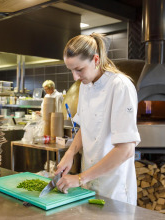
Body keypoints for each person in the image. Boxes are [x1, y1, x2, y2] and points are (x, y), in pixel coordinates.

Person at [55, 33, 140, 205]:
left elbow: (126, 149)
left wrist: (79, 178)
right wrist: (70, 153)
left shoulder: (120, 86)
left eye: (79, 69)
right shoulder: (86, 85)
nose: (75, 77)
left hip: (114, 189)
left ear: (96, 59)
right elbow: (85, 127)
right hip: (89, 183)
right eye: (71, 70)